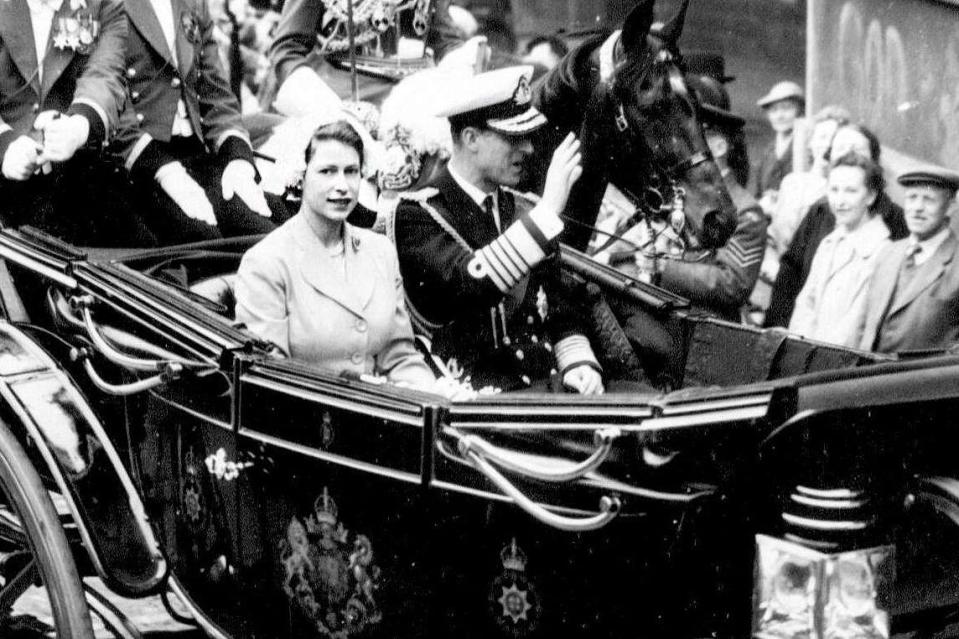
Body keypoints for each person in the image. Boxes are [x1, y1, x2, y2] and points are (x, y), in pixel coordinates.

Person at [392, 65, 604, 394]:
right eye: (513, 137)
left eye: (528, 137)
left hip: (549, 388)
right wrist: (546, 213)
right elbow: (473, 283)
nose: (529, 149)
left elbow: (561, 305)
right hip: (480, 404)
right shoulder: (418, 214)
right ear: (471, 138)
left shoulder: (523, 209)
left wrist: (578, 363)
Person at [235, 121, 435, 388]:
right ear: (301, 177)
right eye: (327, 171)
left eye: (351, 172)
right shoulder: (267, 261)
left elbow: (400, 357)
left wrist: (432, 397)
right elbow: (268, 373)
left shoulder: (380, 251)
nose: (342, 185)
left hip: (383, 414)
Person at [593, 75, 767, 322]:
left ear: (719, 147)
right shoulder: (674, 194)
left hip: (707, 329)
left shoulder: (746, 210)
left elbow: (734, 283)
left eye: (696, 137)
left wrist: (664, 268)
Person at [114, 0, 287, 245]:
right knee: (207, 243)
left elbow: (214, 93)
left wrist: (237, 159)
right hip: (142, 166)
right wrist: (164, 171)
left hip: (196, 155)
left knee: (269, 230)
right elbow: (111, 102)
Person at [0, 0, 128, 243]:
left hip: (73, 176)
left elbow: (105, 74)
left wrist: (78, 127)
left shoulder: (103, 4)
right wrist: (5, 146)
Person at [764, 123, 908, 328]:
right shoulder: (820, 211)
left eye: (857, 150)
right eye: (840, 149)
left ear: (874, 160)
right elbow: (791, 271)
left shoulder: (894, 219)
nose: (849, 155)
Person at [268, 0, 463, 111]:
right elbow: (287, 48)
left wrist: (465, 61)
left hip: (418, 98)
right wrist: (322, 105)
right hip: (344, 99)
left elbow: (447, 42)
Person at [788, 152, 891, 347]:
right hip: (806, 355)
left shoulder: (881, 252)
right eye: (834, 190)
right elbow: (805, 306)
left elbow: (854, 328)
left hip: (838, 364)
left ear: (870, 196)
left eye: (851, 191)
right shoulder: (829, 243)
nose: (839, 201)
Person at [859, 168, 959, 353]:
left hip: (920, 380)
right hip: (867, 377)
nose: (917, 208)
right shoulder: (888, 253)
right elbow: (864, 324)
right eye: (912, 198)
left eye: (928, 200)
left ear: (951, 207)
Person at [750, 81, 804, 208]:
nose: (779, 116)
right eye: (774, 110)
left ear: (800, 111)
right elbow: (757, 193)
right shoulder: (768, 151)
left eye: (786, 108)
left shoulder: (806, 148)